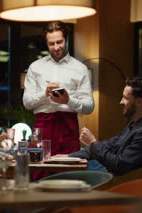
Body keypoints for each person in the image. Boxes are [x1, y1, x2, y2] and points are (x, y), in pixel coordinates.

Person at [23, 21, 94, 156]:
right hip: (42, 127)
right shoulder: (35, 67)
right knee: (40, 172)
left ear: (66, 39)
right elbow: (27, 103)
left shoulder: (80, 68)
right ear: (46, 43)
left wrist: (68, 100)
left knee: (68, 173)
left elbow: (89, 107)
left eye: (59, 42)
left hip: (68, 126)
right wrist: (45, 93)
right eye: (51, 43)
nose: (56, 47)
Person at [67, 77, 142, 175]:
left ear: (139, 102)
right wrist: (68, 157)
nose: (121, 102)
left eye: (125, 98)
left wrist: (92, 142)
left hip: (128, 185)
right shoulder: (134, 124)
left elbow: (120, 165)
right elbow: (109, 145)